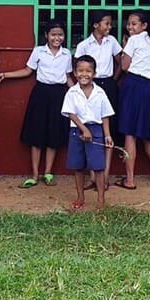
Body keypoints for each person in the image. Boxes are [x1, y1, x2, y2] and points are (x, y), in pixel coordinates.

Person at [0, 20, 73, 189]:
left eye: (60, 34)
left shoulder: (67, 54)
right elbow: (27, 70)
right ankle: (34, 175)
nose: (57, 38)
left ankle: (48, 172)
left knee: (54, 134)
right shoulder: (38, 51)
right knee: (37, 134)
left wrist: (80, 93)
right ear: (46, 35)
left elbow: (68, 77)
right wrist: (5, 75)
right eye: (53, 34)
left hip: (59, 95)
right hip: (40, 94)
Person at [114, 10, 150, 190]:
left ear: (144, 25)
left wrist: (124, 47)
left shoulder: (133, 41)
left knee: (130, 132)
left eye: (134, 24)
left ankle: (129, 179)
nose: (130, 27)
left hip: (134, 85)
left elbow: (125, 66)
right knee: (145, 134)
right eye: (128, 24)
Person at [74, 10, 122, 188]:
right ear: (95, 25)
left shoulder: (112, 42)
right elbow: (77, 67)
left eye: (110, 24)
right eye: (106, 23)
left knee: (108, 129)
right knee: (92, 127)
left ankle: (106, 175)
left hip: (108, 85)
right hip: (90, 87)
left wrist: (114, 80)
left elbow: (120, 61)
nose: (110, 27)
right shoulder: (84, 45)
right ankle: (94, 176)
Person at [62, 55, 115, 209]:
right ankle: (80, 197)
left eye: (88, 71)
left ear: (94, 73)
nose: (84, 74)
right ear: (75, 72)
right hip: (77, 131)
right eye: (80, 71)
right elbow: (70, 113)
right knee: (78, 166)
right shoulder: (72, 92)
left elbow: (105, 115)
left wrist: (107, 135)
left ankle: (100, 200)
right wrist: (83, 129)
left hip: (96, 130)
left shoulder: (100, 93)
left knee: (98, 166)